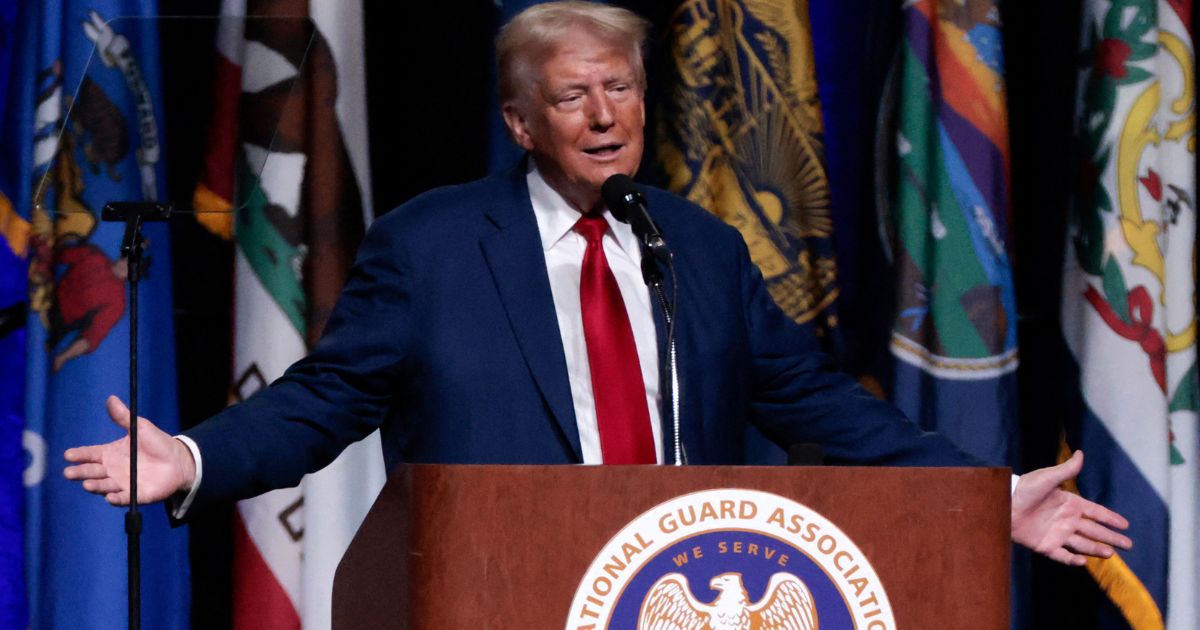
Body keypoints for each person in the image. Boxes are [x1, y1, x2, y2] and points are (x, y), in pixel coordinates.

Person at [64, 1, 1129, 567]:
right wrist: (197, 454)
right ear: (523, 124)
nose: (607, 114)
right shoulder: (432, 247)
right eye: (575, 96)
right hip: (497, 593)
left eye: (621, 87)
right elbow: (326, 399)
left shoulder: (699, 247)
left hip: (675, 590)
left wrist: (979, 495)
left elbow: (818, 407)